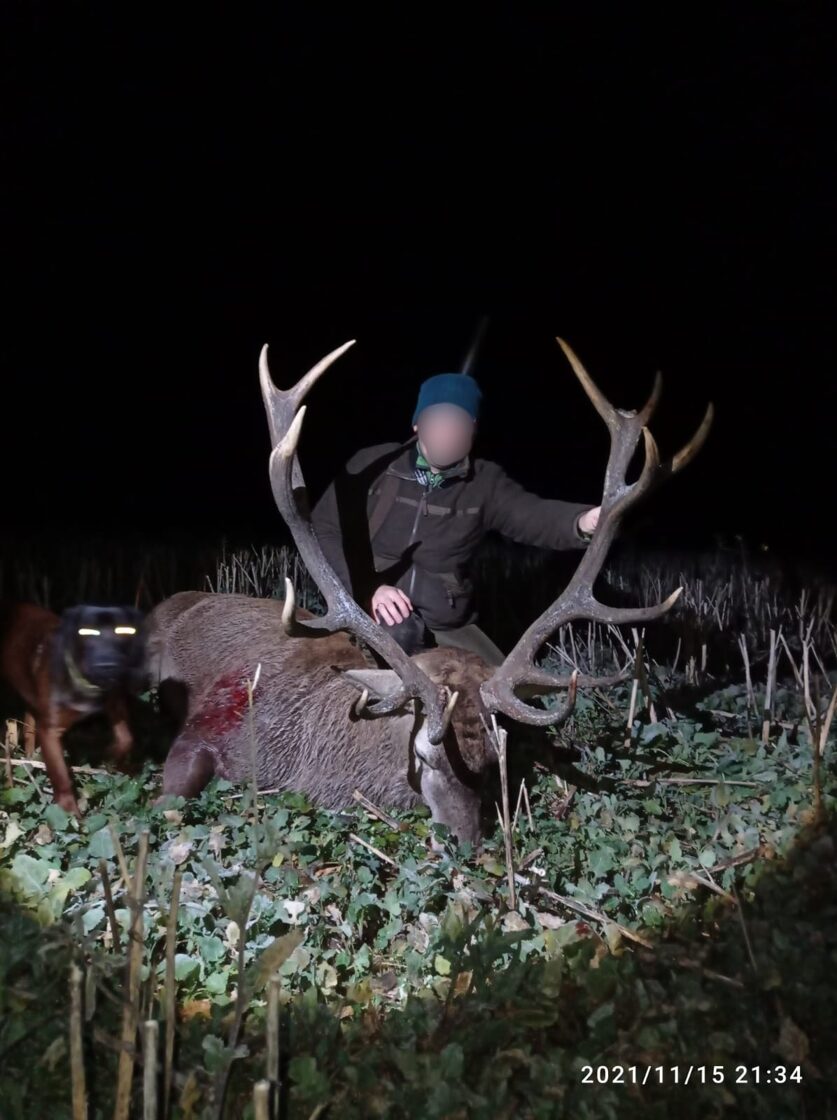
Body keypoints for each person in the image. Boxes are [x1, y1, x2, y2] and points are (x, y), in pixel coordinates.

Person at [310, 370, 601, 666]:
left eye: (459, 422)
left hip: (445, 621)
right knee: (398, 634)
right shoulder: (372, 465)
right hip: (371, 607)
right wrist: (366, 588)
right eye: (438, 419)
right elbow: (323, 528)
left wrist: (583, 521)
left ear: (472, 429)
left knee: (501, 686)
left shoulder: (485, 483)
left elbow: (533, 516)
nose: (448, 431)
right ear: (417, 424)